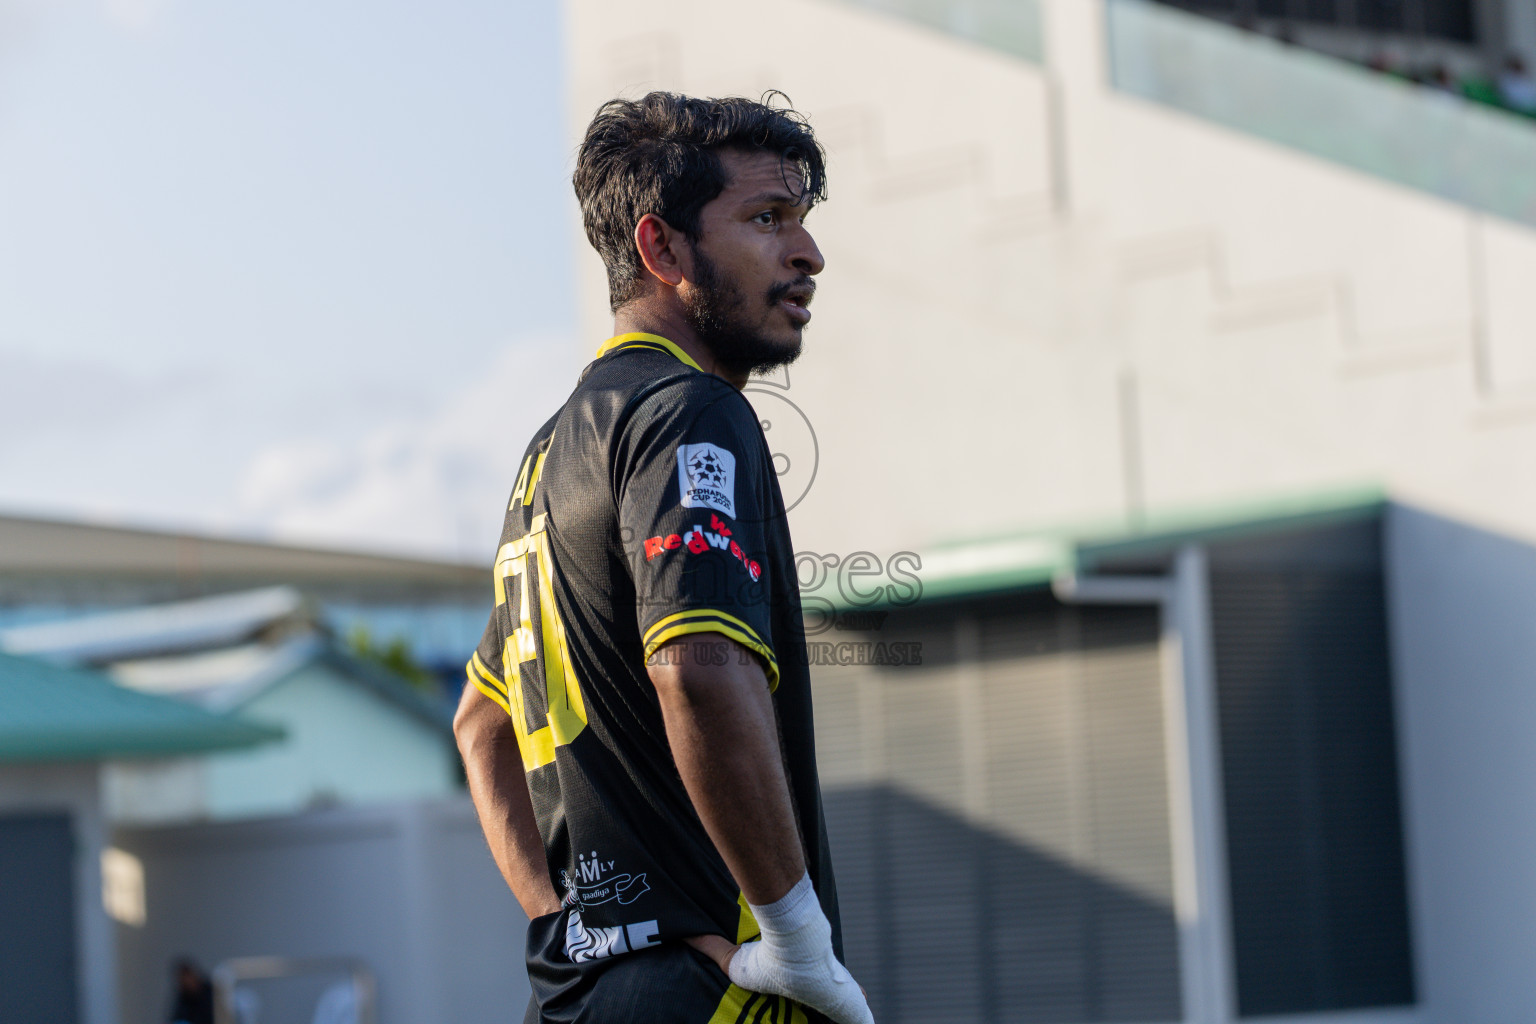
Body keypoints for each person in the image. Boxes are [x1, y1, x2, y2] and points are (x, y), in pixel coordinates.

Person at [454, 92, 875, 1024]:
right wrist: (800, 944)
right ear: (664, 250)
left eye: (802, 223)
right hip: (719, 993)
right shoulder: (689, 413)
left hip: (588, 998)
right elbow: (696, 668)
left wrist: (577, 930)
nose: (807, 253)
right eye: (767, 219)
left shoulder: (548, 451)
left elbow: (481, 728)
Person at [166, 958, 213, 1024]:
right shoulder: (183, 999)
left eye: (188, 978)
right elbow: (176, 1017)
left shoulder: (211, 993)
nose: (187, 982)